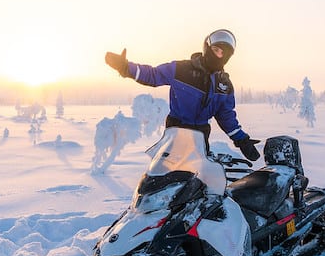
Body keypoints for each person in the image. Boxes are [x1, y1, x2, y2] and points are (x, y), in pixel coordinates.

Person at [104, 29, 261, 162]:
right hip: (176, 133)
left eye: (224, 53)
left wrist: (242, 140)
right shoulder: (181, 69)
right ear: (207, 48)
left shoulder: (224, 85)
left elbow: (226, 116)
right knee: (165, 177)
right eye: (216, 50)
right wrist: (125, 68)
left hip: (200, 136)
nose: (219, 55)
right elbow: (152, 75)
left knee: (199, 182)